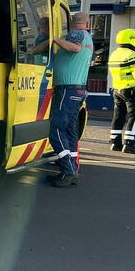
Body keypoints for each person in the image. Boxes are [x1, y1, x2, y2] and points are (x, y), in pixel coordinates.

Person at [46, 12, 95, 187]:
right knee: (70, 132)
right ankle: (72, 170)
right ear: (88, 23)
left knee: (56, 129)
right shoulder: (88, 37)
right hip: (78, 90)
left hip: (67, 89)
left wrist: (54, 39)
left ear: (74, 22)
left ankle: (67, 171)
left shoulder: (77, 34)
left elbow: (75, 48)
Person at [109, 28, 135, 153]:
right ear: (131, 39)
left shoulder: (114, 53)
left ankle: (115, 143)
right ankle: (129, 144)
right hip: (130, 89)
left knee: (118, 115)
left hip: (117, 88)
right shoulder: (132, 55)